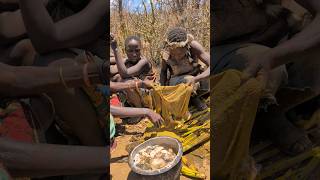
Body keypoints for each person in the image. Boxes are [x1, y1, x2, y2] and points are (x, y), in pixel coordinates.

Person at [212, 0, 320, 178]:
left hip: (275, 33)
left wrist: (275, 56)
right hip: (225, 50)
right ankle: (267, 113)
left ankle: (283, 100)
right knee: (258, 71)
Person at [160, 27, 210, 111]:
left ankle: (195, 96)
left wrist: (196, 78)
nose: (176, 56)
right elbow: (163, 72)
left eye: (180, 53)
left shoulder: (193, 46)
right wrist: (162, 90)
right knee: (188, 80)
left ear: (186, 46)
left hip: (195, 77)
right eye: (173, 54)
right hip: (176, 81)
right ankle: (194, 99)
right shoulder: (166, 53)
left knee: (206, 72)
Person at [110, 34, 155, 108]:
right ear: (125, 51)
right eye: (130, 51)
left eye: (137, 51)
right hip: (139, 95)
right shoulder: (127, 61)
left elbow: (125, 74)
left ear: (141, 49)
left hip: (149, 98)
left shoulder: (144, 62)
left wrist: (115, 49)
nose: (134, 54)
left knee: (127, 82)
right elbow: (112, 70)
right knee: (116, 77)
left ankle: (140, 113)